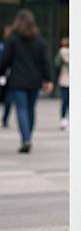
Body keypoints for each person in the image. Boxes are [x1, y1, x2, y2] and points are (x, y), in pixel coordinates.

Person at [0, 9, 53, 152]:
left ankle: (26, 139)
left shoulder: (12, 39)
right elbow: (45, 61)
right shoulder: (39, 40)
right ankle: (28, 136)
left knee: (21, 109)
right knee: (30, 109)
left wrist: (1, 73)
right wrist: (48, 79)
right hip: (34, 81)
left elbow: (4, 60)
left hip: (17, 80)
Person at [55, 36, 70, 129]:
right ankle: (65, 118)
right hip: (66, 79)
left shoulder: (61, 52)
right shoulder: (63, 52)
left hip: (64, 80)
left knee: (65, 101)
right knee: (67, 101)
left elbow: (56, 63)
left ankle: (63, 118)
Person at [1, 24, 13, 127]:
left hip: (10, 77)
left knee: (8, 99)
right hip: (2, 75)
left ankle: (5, 118)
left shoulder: (15, 45)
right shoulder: (2, 45)